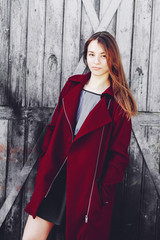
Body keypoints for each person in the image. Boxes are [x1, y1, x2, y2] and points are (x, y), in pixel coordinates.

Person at [22, 31, 137, 240]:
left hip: (88, 188)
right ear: (86, 56)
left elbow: (119, 156)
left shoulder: (119, 102)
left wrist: (101, 192)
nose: (96, 61)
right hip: (55, 175)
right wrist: (45, 158)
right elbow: (53, 127)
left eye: (103, 55)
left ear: (112, 58)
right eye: (91, 54)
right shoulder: (72, 85)